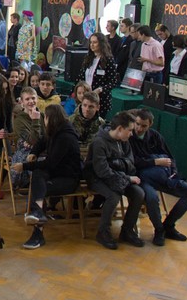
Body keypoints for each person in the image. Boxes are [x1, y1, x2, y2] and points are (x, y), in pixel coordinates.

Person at [19, 104, 82, 250]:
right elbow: (42, 141)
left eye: (45, 117)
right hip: (57, 173)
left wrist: (25, 166)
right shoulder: (57, 131)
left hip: (68, 180)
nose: (44, 120)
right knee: (38, 177)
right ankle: (38, 215)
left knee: (38, 188)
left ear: (51, 119)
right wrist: (33, 152)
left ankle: (38, 232)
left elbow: (50, 163)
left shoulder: (65, 137)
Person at [130, 110, 187, 246]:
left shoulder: (155, 136)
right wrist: (154, 162)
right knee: (152, 198)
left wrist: (174, 173)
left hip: (163, 176)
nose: (139, 128)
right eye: (137, 124)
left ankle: (169, 226)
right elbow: (132, 162)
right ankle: (159, 230)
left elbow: (170, 158)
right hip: (143, 178)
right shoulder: (129, 137)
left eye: (144, 126)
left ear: (150, 125)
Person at [85, 110, 145, 250]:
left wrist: (118, 169)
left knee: (139, 193)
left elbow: (130, 163)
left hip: (118, 177)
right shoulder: (99, 142)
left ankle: (127, 231)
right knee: (114, 196)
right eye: (130, 130)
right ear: (119, 129)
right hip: (96, 178)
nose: (132, 134)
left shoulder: (124, 141)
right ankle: (103, 233)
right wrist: (127, 177)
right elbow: (102, 171)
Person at [75, 32, 117, 117]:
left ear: (101, 43)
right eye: (91, 42)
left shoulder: (108, 60)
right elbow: (81, 76)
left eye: (95, 42)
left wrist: (100, 89)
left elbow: (113, 82)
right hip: (85, 98)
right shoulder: (88, 58)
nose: (92, 45)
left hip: (100, 99)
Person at [68, 90, 104, 155]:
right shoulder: (70, 121)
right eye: (84, 105)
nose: (87, 109)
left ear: (98, 108)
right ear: (81, 105)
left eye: (91, 107)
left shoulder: (101, 124)